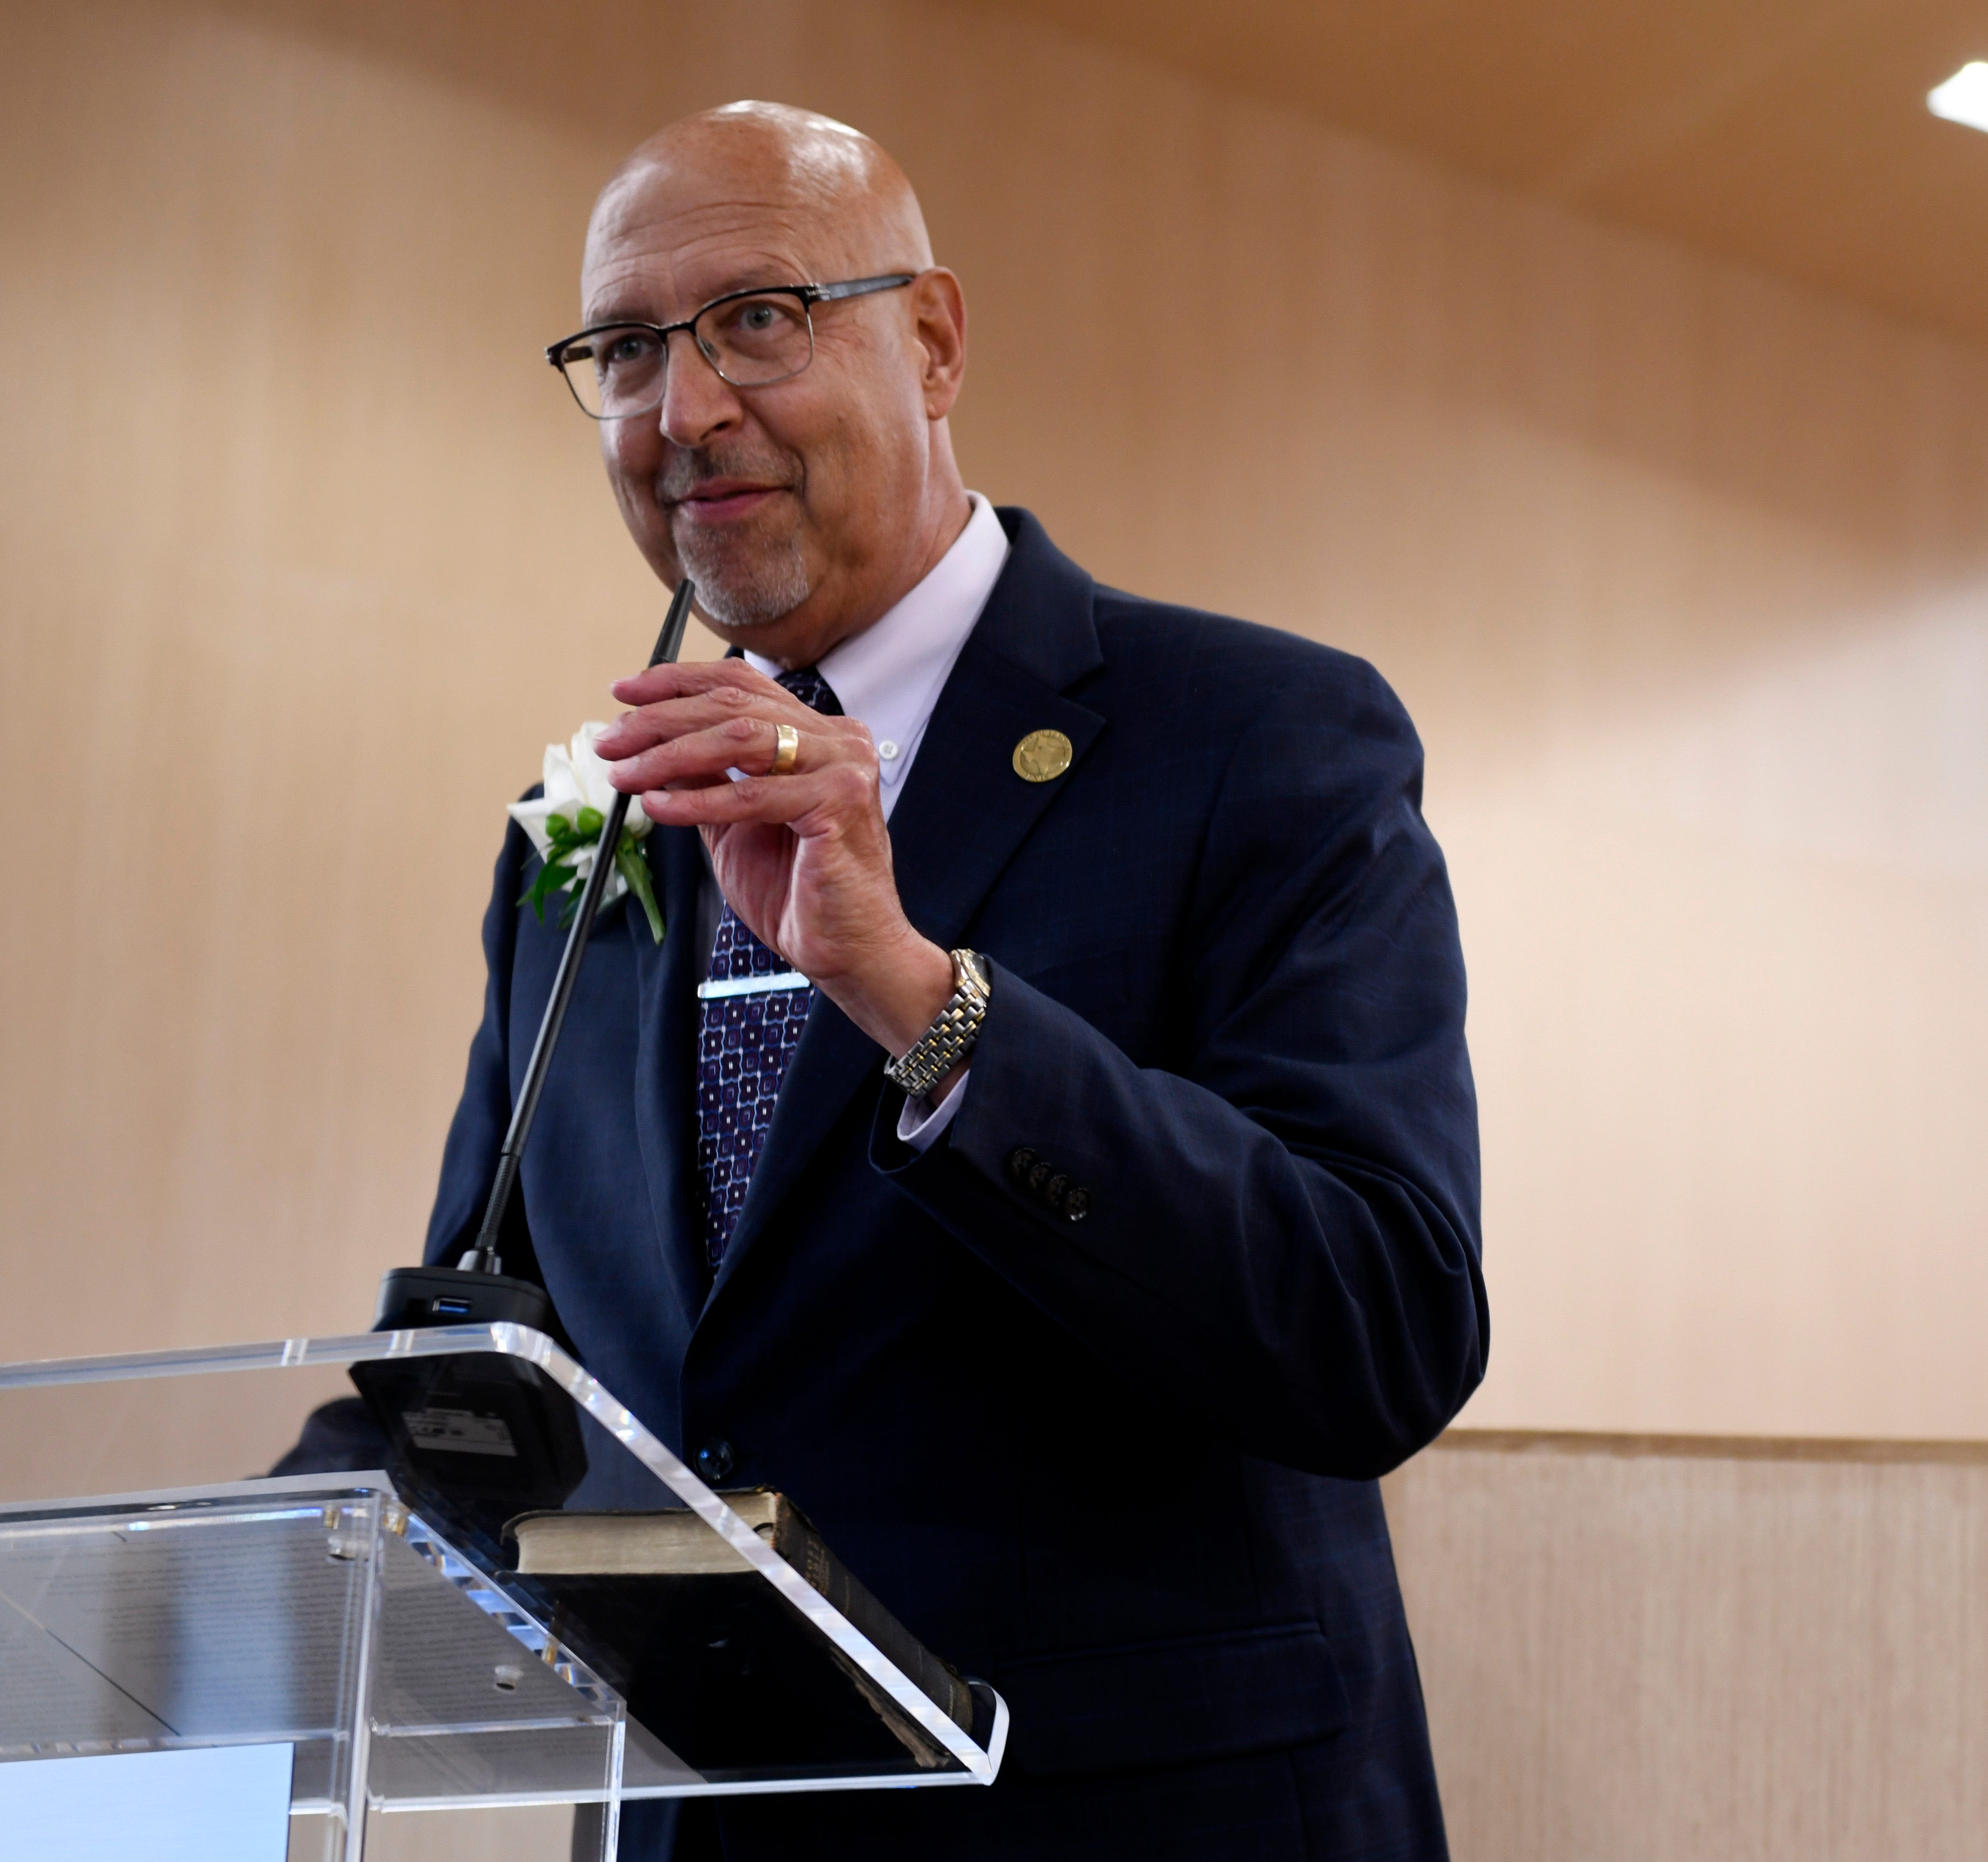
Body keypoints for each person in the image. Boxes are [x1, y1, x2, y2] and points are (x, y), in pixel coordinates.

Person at [431, 100, 1485, 1860]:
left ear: (931, 343)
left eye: (758, 319)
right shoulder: (589, 837)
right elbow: (480, 1347)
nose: (684, 413)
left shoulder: (1263, 738)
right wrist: (166, 1600)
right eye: (626, 350)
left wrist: (924, 999)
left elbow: (1378, 1330)